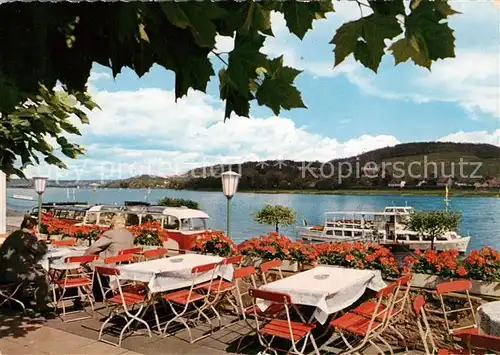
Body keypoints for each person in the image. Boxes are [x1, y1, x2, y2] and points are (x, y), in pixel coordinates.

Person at [0, 215, 50, 312]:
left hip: (3, 272)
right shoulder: (28, 238)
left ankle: (22, 298)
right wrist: (41, 241)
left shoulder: (14, 235)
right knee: (42, 275)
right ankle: (42, 305)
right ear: (35, 228)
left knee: (35, 269)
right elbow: (41, 250)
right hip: (12, 276)